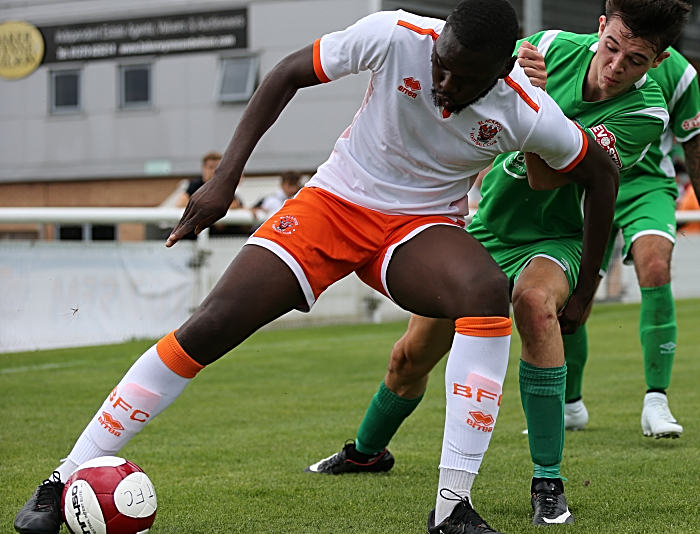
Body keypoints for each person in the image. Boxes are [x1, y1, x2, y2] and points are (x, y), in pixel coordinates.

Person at [13, 2, 618, 534]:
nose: (443, 80)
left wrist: (584, 291)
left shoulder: (524, 110)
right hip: (333, 204)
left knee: (485, 291)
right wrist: (224, 179)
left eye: (462, 78)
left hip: (418, 231)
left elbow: (601, 174)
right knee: (212, 324)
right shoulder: (395, 34)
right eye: (441, 63)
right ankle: (61, 478)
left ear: (501, 70)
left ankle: (451, 508)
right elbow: (287, 74)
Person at [305, 0, 690, 528]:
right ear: (600, 28)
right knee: (409, 357)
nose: (616, 66)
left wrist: (535, 97)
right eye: (612, 47)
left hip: (557, 238)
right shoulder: (552, 46)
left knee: (533, 304)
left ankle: (548, 483)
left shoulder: (646, 114)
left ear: (659, 59)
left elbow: (547, 177)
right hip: (487, 228)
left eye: (637, 59)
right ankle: (366, 452)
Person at [563, 45, 700, 437]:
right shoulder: (580, 51)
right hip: (586, 183)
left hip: (646, 185)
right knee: (573, 295)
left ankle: (656, 401)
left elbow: (694, 147)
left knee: (655, 267)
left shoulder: (680, 74)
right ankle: (570, 405)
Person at [174, 151, 246, 238]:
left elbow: (235, 205)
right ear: (203, 168)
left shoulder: (227, 188)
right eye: (211, 167)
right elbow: (181, 205)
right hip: (194, 235)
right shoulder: (194, 186)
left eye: (217, 167)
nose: (214, 171)